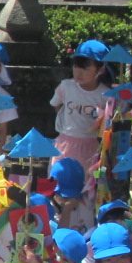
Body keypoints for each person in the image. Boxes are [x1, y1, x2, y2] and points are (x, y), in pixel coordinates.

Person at [49, 40, 111, 172]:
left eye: (86, 68)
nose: (79, 72)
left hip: (90, 147)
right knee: (59, 181)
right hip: (64, 144)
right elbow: (56, 105)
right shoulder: (66, 86)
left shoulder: (105, 94)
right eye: (76, 66)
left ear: (100, 69)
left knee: (85, 184)